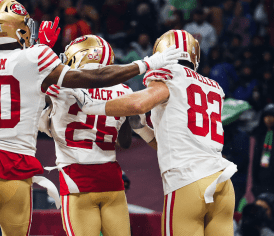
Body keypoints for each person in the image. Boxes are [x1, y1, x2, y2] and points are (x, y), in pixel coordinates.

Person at [0, 1, 181, 235]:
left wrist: (39, 54)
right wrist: (146, 64)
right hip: (25, 172)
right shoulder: (118, 90)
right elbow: (96, 82)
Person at [54, 29, 237, 235]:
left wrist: (91, 106)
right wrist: (141, 129)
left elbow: (138, 105)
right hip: (222, 180)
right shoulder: (212, 86)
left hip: (189, 180)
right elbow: (172, 142)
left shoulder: (171, 76)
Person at [39, 35, 134, 236]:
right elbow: (125, 142)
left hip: (77, 179)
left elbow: (27, 84)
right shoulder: (124, 90)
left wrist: (42, 49)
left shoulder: (60, 86)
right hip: (112, 180)